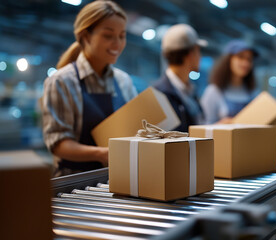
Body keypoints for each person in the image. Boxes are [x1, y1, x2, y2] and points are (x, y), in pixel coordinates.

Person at [42, 0, 137, 176]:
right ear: (86, 36)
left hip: (118, 176)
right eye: (108, 36)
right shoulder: (61, 81)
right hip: (75, 182)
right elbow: (58, 142)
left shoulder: (124, 81)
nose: (117, 44)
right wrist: (101, 154)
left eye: (122, 36)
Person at [153, 24, 207, 132]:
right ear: (190, 55)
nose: (200, 57)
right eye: (198, 51)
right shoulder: (160, 94)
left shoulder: (189, 89)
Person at [201, 40, 259, 124]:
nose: (245, 63)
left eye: (249, 59)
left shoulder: (253, 93)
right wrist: (220, 125)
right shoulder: (214, 91)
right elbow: (202, 127)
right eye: (240, 57)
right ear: (228, 60)